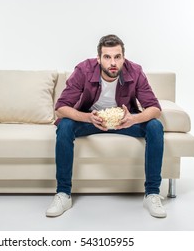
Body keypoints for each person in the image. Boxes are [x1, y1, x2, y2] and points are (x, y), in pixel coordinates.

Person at [46, 34, 166, 218]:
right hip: (91, 120)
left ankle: (152, 193)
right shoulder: (83, 70)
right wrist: (87, 117)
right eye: (107, 57)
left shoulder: (135, 71)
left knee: (155, 126)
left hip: (124, 122)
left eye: (117, 57)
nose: (113, 62)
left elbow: (155, 108)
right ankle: (63, 193)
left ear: (123, 58)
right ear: (99, 59)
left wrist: (133, 119)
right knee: (65, 126)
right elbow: (61, 108)